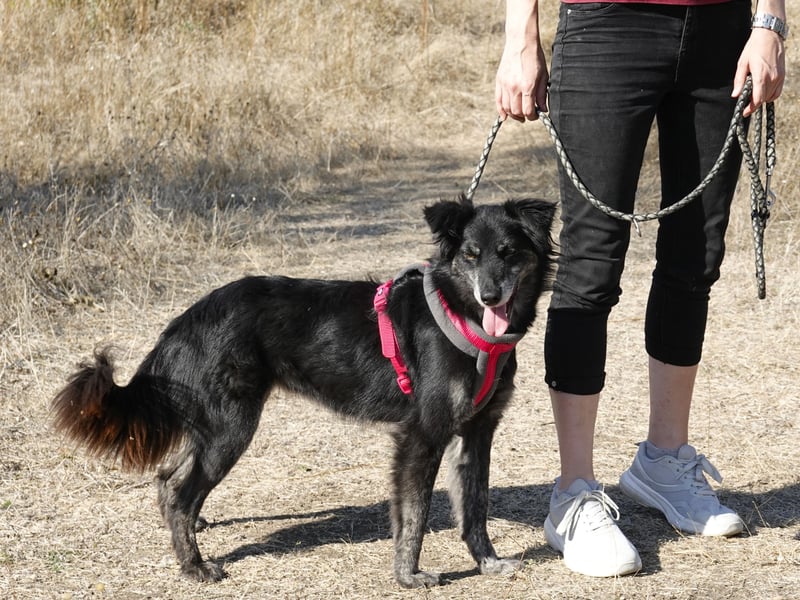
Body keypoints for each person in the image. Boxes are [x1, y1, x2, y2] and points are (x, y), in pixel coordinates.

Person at [495, 0, 786, 577]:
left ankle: (664, 461)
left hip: (723, 32)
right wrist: (520, 39)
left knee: (696, 256)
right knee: (591, 262)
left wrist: (770, 21)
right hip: (606, 25)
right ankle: (574, 493)